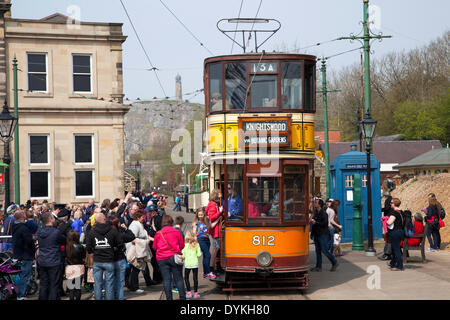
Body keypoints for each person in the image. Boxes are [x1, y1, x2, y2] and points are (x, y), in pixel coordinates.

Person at [85, 212, 124, 300]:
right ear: (104, 219)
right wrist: (113, 249)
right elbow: (120, 244)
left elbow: (88, 247)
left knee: (98, 284)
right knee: (109, 284)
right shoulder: (112, 230)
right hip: (109, 260)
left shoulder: (92, 232)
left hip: (97, 261)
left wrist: (93, 252)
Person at [152, 215, 186, 300]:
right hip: (174, 257)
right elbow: (182, 245)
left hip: (162, 259)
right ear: (171, 222)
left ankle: (169, 299)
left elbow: (154, 247)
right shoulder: (177, 232)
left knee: (166, 280)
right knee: (179, 279)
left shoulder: (158, 233)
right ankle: (182, 298)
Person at [36, 212, 67, 300]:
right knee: (54, 285)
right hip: (54, 261)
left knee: (43, 285)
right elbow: (64, 240)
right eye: (53, 218)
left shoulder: (39, 231)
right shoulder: (56, 232)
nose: (54, 220)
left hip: (43, 261)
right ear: (50, 220)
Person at [126, 208, 154, 293]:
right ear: (138, 217)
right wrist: (144, 242)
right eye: (142, 217)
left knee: (136, 268)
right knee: (136, 268)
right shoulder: (135, 225)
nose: (144, 218)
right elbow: (132, 238)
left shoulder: (139, 224)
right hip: (135, 250)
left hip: (138, 249)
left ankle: (133, 286)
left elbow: (145, 236)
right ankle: (134, 287)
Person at [11, 210, 36, 300]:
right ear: (22, 216)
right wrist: (33, 239)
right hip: (25, 255)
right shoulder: (23, 228)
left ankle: (20, 293)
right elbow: (28, 241)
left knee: (21, 275)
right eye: (24, 214)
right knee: (25, 275)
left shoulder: (15, 226)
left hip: (18, 254)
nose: (26, 215)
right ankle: (21, 295)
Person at [109, 216, 135, 300]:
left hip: (109, 259)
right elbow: (131, 236)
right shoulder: (119, 234)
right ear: (117, 224)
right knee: (120, 281)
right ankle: (119, 297)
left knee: (111, 280)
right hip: (119, 259)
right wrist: (126, 228)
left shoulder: (107, 235)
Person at [310, 199, 338, 272]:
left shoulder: (324, 213)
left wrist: (316, 223)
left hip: (323, 234)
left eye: (316, 203)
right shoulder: (315, 212)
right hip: (316, 234)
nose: (314, 204)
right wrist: (312, 234)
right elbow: (313, 224)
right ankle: (318, 267)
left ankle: (334, 262)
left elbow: (324, 224)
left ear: (319, 205)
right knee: (317, 251)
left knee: (324, 250)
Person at [192, 207, 216, 279]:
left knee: (205, 256)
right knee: (208, 255)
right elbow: (193, 232)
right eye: (199, 215)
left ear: (204, 214)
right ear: (197, 215)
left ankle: (205, 273)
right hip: (200, 239)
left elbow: (211, 226)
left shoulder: (206, 221)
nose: (200, 216)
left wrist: (218, 220)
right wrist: (195, 235)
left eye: (201, 215)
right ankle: (208, 272)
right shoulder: (196, 223)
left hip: (207, 239)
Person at [64, 230, 86, 300]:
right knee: (77, 288)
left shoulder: (66, 247)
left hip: (69, 268)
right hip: (78, 268)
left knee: (71, 289)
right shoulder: (80, 247)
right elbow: (83, 257)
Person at [206, 189, 223, 275]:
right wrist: (220, 211)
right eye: (219, 193)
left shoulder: (212, 204)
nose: (221, 194)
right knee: (215, 249)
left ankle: (214, 267)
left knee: (216, 248)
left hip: (215, 230)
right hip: (216, 230)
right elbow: (212, 217)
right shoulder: (213, 205)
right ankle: (212, 268)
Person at [182, 230, 202, 299]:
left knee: (186, 278)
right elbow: (199, 254)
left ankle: (189, 292)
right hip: (195, 264)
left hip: (187, 264)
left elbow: (183, 256)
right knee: (195, 278)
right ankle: (196, 293)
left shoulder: (184, 245)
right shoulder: (197, 245)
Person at [386, 198, 405, 271]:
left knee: (396, 249)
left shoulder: (394, 213)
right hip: (400, 231)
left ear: (394, 204)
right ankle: (393, 263)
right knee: (395, 248)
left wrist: (385, 220)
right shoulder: (401, 212)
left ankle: (399, 266)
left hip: (394, 232)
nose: (390, 204)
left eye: (391, 203)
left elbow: (389, 222)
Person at [379, 191, 393, 261]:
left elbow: (387, 208)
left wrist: (381, 209)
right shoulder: (391, 199)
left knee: (386, 233)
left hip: (387, 217)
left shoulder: (388, 200)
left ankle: (387, 254)